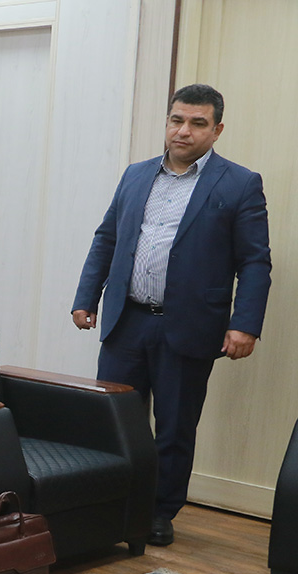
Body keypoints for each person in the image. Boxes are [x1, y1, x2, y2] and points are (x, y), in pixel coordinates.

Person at [72, 84, 271, 547]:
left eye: (197, 123)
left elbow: (254, 261)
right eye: (176, 120)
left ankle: (159, 511)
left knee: (175, 427)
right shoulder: (136, 174)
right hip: (126, 320)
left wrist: (244, 324)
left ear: (216, 130)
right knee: (114, 419)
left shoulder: (239, 183)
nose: (184, 131)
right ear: (167, 122)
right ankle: (113, 503)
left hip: (189, 326)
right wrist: (87, 297)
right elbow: (107, 238)